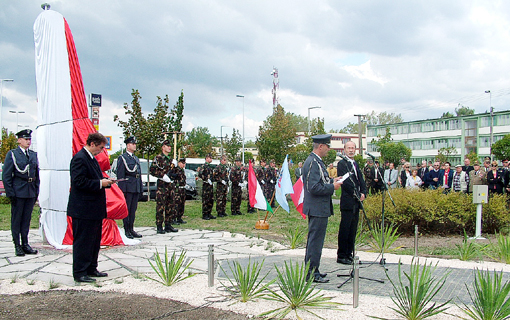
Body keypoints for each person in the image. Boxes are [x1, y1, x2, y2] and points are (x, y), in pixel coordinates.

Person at [67, 132, 113, 283]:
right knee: (83, 242)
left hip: (93, 208)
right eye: (100, 148)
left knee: (94, 241)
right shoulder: (79, 158)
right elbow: (79, 182)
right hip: (83, 208)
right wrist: (100, 184)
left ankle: (91, 267)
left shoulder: (92, 158)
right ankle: (80, 272)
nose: (101, 151)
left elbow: (92, 177)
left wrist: (106, 180)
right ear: (92, 144)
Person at [303, 134, 342, 283]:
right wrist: (332, 187)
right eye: (327, 146)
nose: (328, 149)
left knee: (316, 241)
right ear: (320, 146)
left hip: (319, 208)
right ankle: (311, 273)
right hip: (317, 208)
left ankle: (314, 269)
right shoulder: (313, 162)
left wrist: (332, 181)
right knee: (315, 242)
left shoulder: (316, 161)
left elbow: (320, 181)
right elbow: (313, 187)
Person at [3, 129, 40, 257]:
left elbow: (36, 174)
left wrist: (36, 191)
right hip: (18, 191)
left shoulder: (33, 155)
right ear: (19, 140)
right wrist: (10, 193)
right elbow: (7, 175)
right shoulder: (13, 154)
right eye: (25, 139)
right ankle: (17, 245)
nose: (28, 141)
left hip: (30, 191)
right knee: (17, 219)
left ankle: (25, 243)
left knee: (26, 219)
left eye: (29, 139)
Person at [336, 141, 366, 266]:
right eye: (348, 148)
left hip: (357, 202)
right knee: (345, 228)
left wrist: (364, 192)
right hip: (348, 201)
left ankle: (350, 253)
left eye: (353, 148)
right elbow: (346, 182)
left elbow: (360, 180)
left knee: (353, 229)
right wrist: (356, 194)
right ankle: (342, 255)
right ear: (344, 149)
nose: (351, 150)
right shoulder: (342, 164)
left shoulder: (355, 163)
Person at [116, 136, 143, 239]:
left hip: (135, 186)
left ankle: (131, 228)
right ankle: (127, 229)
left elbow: (138, 174)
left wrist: (140, 188)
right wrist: (122, 190)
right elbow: (120, 175)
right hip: (127, 187)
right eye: (133, 144)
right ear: (128, 145)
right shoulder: (122, 158)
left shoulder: (135, 158)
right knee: (127, 209)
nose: (135, 145)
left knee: (133, 209)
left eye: (135, 143)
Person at [150, 140, 178, 233]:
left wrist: (175, 168)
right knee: (160, 207)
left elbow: (175, 173)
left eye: (170, 146)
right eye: (167, 146)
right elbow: (152, 171)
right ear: (163, 147)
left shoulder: (170, 160)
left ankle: (168, 225)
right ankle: (159, 226)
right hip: (162, 186)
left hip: (170, 186)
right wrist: (162, 176)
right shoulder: (158, 158)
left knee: (170, 206)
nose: (169, 147)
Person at [198, 154, 216, 220]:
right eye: (210, 158)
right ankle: (205, 214)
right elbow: (200, 174)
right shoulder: (204, 166)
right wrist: (206, 179)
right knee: (206, 200)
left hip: (210, 185)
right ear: (207, 158)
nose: (211, 159)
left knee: (210, 200)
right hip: (206, 185)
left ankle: (209, 213)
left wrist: (212, 180)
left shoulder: (210, 167)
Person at [172, 158, 187, 224]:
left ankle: (179, 217)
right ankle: (173, 218)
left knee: (181, 204)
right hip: (177, 189)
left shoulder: (182, 170)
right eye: (182, 163)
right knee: (176, 204)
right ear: (179, 163)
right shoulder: (176, 169)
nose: (183, 165)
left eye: (184, 163)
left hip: (182, 189)